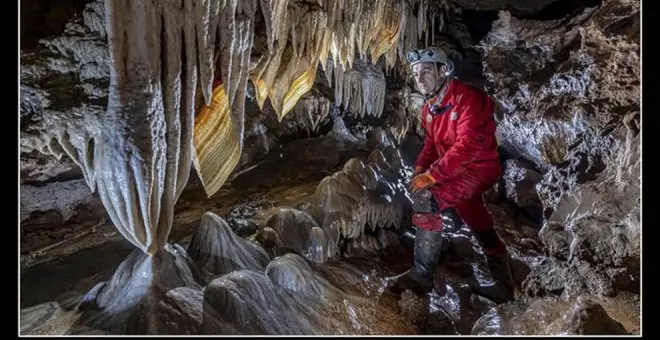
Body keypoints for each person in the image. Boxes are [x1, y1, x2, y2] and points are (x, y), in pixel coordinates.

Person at [387, 46, 516, 302]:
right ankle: (504, 284)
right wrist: (420, 170)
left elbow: (468, 146)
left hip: (479, 167)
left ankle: (421, 277)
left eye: (426, 71)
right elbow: (432, 144)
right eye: (415, 73)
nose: (420, 78)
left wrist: (432, 177)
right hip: (456, 169)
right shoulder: (430, 108)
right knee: (476, 218)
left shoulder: (469, 98)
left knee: (426, 199)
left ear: (443, 70)